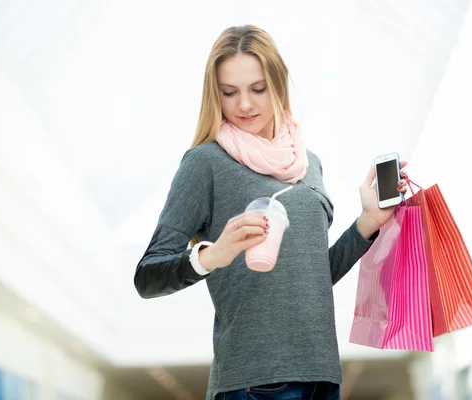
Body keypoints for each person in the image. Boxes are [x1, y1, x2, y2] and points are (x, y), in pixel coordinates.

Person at [133, 25, 408, 400]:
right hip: (255, 382)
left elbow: (310, 278)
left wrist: (367, 224)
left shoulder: (309, 164)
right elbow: (147, 277)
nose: (244, 104)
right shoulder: (205, 163)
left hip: (322, 375)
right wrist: (214, 255)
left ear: (278, 85)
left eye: (258, 89)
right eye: (229, 92)